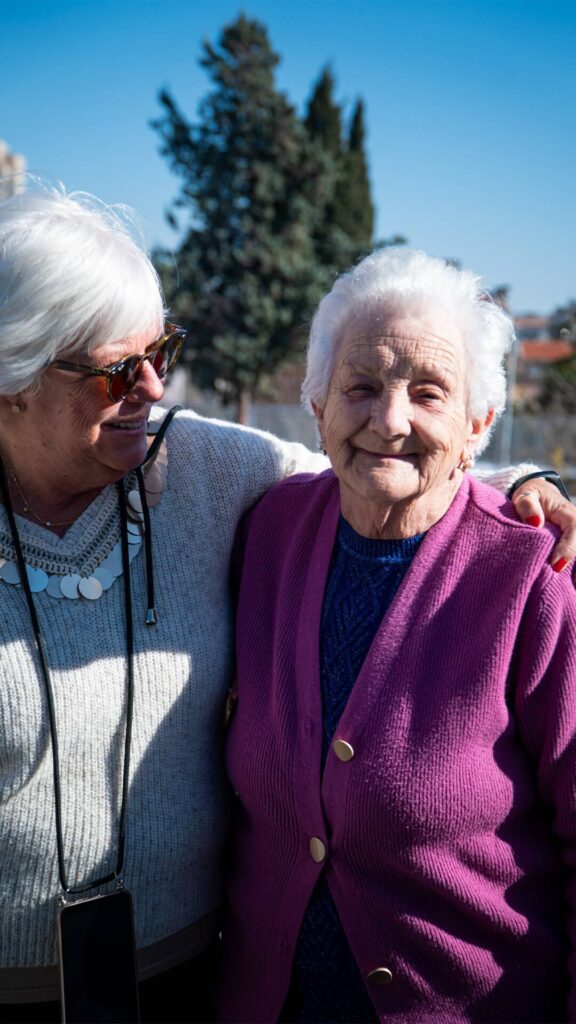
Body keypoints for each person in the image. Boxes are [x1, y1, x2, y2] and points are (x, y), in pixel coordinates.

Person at [0, 188, 572, 1023]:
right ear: (13, 381)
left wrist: (521, 484)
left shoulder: (208, 474)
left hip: (194, 980)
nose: (155, 387)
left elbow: (390, 464)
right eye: (118, 370)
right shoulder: (268, 528)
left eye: (161, 351)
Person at [218, 248, 576, 1023]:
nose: (390, 420)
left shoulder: (534, 576)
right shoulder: (267, 534)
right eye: (361, 387)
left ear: (479, 424)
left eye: (429, 393)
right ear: (317, 405)